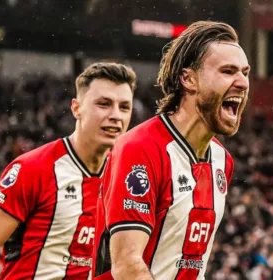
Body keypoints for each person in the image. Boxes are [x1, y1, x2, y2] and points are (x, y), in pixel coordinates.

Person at [93, 20, 250, 280]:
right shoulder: (140, 148)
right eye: (228, 71)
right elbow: (127, 266)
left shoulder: (223, 161)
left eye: (245, 72)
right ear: (188, 79)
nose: (243, 83)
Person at [0, 62, 136, 280]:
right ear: (76, 108)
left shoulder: (126, 181)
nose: (115, 115)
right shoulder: (34, 169)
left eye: (124, 107)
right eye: (104, 104)